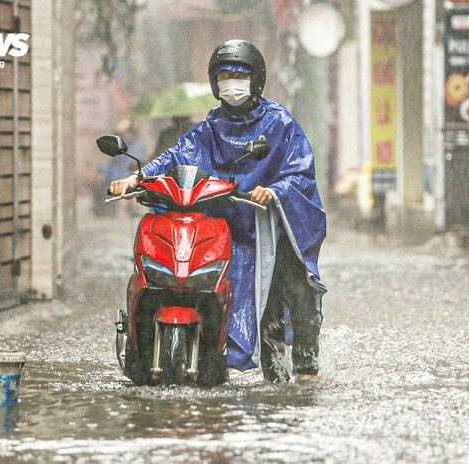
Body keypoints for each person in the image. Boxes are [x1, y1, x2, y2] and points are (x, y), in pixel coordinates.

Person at [110, 39, 326, 382]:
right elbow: (176, 155)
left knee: (292, 288)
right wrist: (136, 176)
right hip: (224, 226)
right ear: (215, 82)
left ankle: (305, 370)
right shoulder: (210, 127)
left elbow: (301, 172)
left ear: (256, 81)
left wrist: (273, 191)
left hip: (269, 229)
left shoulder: (279, 123)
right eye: (225, 75)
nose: (232, 82)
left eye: (240, 75)